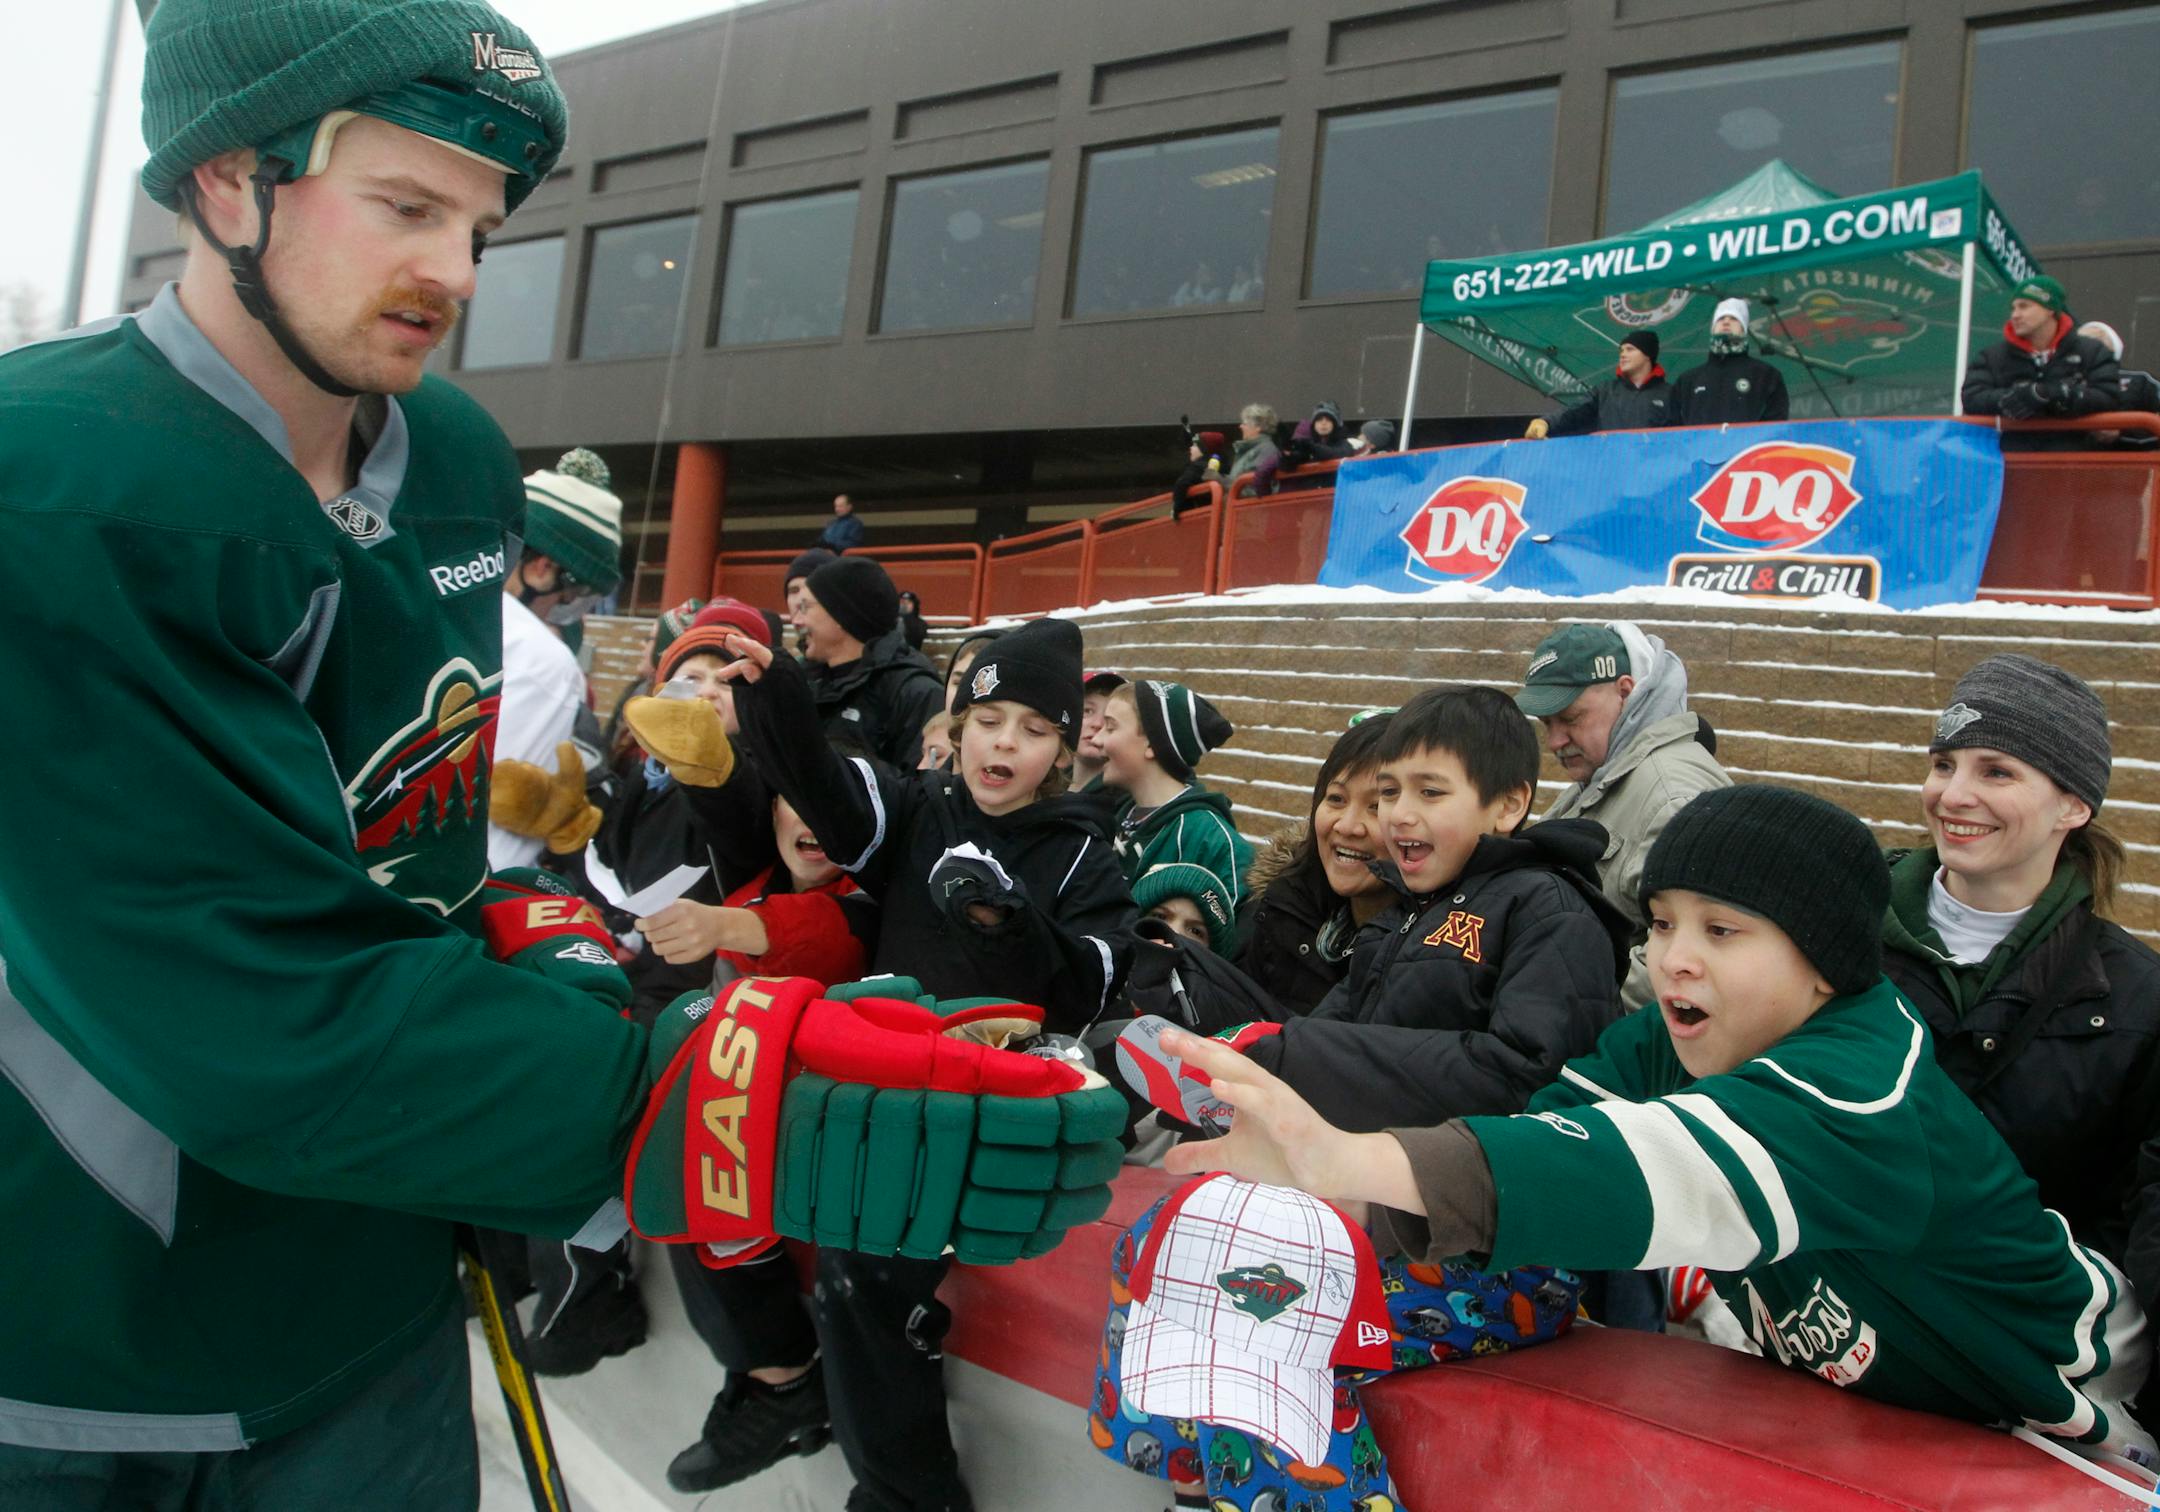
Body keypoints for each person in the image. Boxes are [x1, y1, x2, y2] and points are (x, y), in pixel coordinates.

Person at [0, 2, 657, 1501]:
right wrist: (667, 1096)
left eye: (478, 226)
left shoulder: (462, 458)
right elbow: (245, 1003)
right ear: (229, 184)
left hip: (377, 1287)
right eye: (407, 206)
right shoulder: (49, 477)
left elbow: (397, 844)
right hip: (74, 1333)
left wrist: (518, 947)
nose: (453, 271)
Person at [1160, 784, 2156, 1466]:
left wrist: (1350, 1156)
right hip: (1876, 1395)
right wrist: (1337, 1201)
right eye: (1665, 921)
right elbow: (1554, 1144)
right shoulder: (1672, 1040)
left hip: (2061, 1410)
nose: (1675, 957)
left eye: (1722, 932)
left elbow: (1646, 1170)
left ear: (1824, 965)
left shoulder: (1864, 1088)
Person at [719, 613, 1139, 1512]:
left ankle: (909, 1495)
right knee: (727, 1172)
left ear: (1061, 750)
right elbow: (827, 790)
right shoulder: (918, 808)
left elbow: (1094, 983)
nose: (1005, 746)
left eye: (1033, 731)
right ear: (959, 726)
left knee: (864, 1269)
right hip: (881, 1086)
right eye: (990, 723)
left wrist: (1008, 921)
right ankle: (774, 1390)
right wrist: (775, 702)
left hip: (984, 1106)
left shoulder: (1080, 847)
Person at [1180, 687, 1629, 1134]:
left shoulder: (1548, 910)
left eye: (1430, 792)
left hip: (1461, 1186)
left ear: (1507, 805)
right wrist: (1266, 1065)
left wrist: (1302, 1053)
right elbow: (1328, 1030)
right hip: (1364, 1160)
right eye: (1390, 792)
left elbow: (1530, 1076)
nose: (1398, 814)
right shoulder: (1404, 912)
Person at [1883, 655, 2160, 1367]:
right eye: (1944, 764)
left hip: (2019, 1360)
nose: (1952, 795)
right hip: (1824, 1327)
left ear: (2074, 806)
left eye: (1995, 771)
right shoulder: (1837, 929)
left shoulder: (2134, 998)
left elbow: (2134, 1212)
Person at [634, 782, 874, 1495]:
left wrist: (722, 927)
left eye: (839, 808)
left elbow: (824, 930)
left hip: (823, 1109)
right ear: (773, 813)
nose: (816, 822)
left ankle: (782, 1374)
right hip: (747, 1086)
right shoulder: (748, 874)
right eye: (801, 800)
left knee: (696, 1146)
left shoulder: (870, 899)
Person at [1514, 622, 1729, 1007]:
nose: (1555, 741)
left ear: (1625, 692)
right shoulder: (1605, 778)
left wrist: (1557, 1012)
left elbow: (1688, 957)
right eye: (1547, 724)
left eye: (1571, 718)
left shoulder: (1673, 795)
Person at [489, 446, 623, 868]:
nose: (570, 609)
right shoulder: (542, 657)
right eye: (577, 593)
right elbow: (492, 828)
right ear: (544, 569)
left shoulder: (438, 605)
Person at [1234, 711, 1394, 1018]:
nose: (1347, 826)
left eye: (1376, 806)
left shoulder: (1430, 952)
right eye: (1336, 798)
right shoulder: (1283, 905)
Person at [1098, 679, 1256, 915]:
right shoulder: (1113, 815)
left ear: (1152, 743)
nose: (1097, 739)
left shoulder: (1213, 843)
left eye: (1110, 728)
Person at [799, 555, 944, 767]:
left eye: (806, 607)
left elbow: (922, 789)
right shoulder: (804, 677)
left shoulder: (915, 693)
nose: (797, 620)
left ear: (840, 615)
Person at [1962, 276, 2121, 449]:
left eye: (2024, 306)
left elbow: (2108, 397)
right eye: (2013, 308)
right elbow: (1972, 398)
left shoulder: (2092, 351)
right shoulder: (1992, 356)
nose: (2015, 315)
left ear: (2050, 309)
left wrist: (2056, 394)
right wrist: (2015, 396)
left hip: (2075, 462)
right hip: (2010, 462)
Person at [1527, 331, 1673, 437]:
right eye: (1621, 350)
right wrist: (1545, 422)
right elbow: (1574, 412)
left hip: (1652, 472)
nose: (1622, 354)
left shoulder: (1670, 394)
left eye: (1630, 349)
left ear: (1647, 355)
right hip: (1610, 467)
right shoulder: (1605, 390)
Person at [1672, 297, 1790, 425]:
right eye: (1721, 318)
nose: (1726, 322)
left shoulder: (1766, 375)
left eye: (1734, 318)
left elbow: (1776, 425)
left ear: (1743, 329)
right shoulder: (1688, 380)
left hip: (1749, 445)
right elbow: (1672, 429)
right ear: (1712, 328)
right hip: (1700, 445)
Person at [2077, 321, 2158, 449]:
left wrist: (2122, 432)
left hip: (2134, 464)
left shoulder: (2140, 381)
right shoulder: (2062, 383)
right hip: (2070, 464)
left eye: (2099, 347)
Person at [1073, 668, 1125, 790]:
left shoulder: (1123, 802)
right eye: (1087, 711)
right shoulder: (1043, 783)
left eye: (1109, 717)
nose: (1097, 724)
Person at [1223, 402, 1281, 496]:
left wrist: (1221, 481)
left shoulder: (1266, 450)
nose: (1240, 426)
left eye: (1244, 423)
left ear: (1258, 427)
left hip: (1253, 509)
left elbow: (1253, 489)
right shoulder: (1249, 450)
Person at [1281, 401, 1357, 469]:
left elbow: (1336, 453)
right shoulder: (1307, 445)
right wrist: (1288, 456)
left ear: (1335, 425)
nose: (1323, 423)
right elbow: (1287, 466)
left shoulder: (1344, 443)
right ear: (1314, 425)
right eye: (1319, 420)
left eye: (1328, 420)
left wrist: (1311, 447)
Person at [1170, 429, 1228, 517]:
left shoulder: (1197, 467)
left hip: (1207, 517)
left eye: (1195, 445)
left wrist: (1176, 509)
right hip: (1225, 515)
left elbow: (1182, 484)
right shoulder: (1225, 466)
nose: (1191, 448)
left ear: (1203, 450)